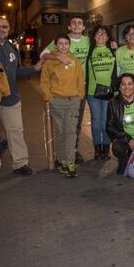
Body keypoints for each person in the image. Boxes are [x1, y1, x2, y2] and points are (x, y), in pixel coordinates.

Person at [0, 16, 42, 181]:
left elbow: (16, 71)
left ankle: (20, 163)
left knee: (16, 132)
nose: (1, 29)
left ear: (8, 29)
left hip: (12, 99)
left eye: (4, 26)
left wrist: (34, 68)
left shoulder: (12, 47)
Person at [41, 15, 90, 165]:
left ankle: (72, 153)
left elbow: (102, 44)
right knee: (61, 129)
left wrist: (80, 94)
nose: (76, 25)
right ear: (69, 27)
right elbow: (43, 54)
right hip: (59, 94)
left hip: (78, 90)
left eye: (80, 23)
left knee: (75, 124)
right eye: (73, 23)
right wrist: (58, 58)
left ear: (83, 27)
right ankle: (63, 157)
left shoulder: (88, 41)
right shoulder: (62, 40)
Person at [106, 73, 134, 175]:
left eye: (130, 84)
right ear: (119, 87)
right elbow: (110, 127)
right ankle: (124, 161)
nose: (126, 87)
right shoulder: (113, 103)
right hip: (125, 139)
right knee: (117, 147)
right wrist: (128, 139)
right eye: (123, 84)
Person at [85, 25, 116, 160]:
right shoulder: (89, 51)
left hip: (109, 92)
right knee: (96, 122)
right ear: (94, 37)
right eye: (98, 33)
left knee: (105, 122)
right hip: (93, 92)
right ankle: (97, 148)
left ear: (108, 37)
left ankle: (106, 148)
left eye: (104, 33)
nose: (101, 36)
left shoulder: (113, 50)